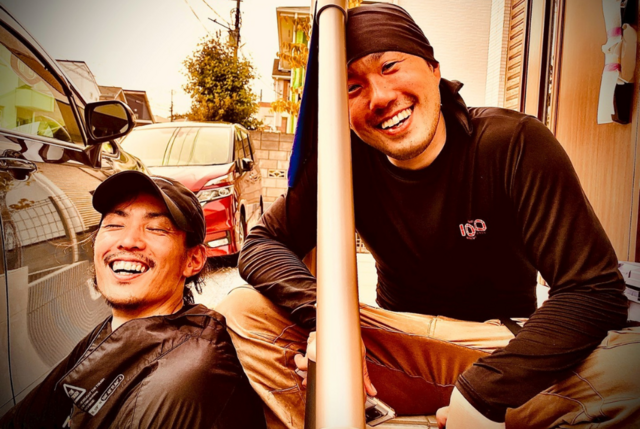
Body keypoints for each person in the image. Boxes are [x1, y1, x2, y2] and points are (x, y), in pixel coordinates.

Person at [217, 3, 640, 429]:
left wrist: (484, 393)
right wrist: (330, 328)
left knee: (631, 365)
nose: (380, 97)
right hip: (396, 346)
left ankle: (432, 417)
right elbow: (261, 243)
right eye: (352, 87)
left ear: (434, 68)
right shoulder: (344, 162)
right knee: (244, 310)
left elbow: (594, 289)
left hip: (499, 347)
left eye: (390, 66)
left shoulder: (512, 143)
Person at [0, 171, 266, 429]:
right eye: (114, 225)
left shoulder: (182, 378)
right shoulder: (112, 332)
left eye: (156, 228)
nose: (128, 241)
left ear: (193, 259)